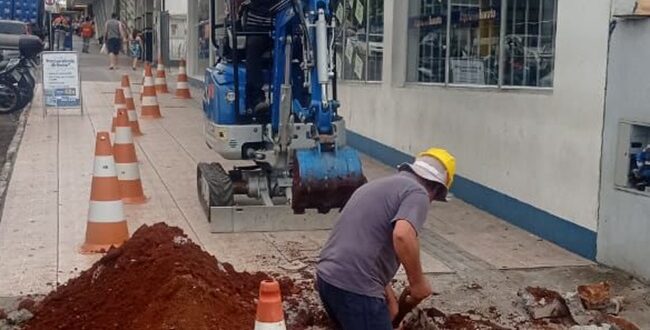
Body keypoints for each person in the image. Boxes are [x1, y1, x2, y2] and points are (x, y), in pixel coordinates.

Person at [316, 148, 457, 329]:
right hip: (357, 289)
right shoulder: (418, 193)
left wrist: (389, 298)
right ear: (437, 190)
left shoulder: (377, 186)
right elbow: (403, 236)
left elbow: (367, 245)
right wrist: (417, 282)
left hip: (328, 279)